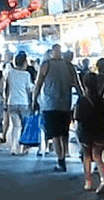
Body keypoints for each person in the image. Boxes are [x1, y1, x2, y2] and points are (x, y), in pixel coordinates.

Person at [32, 43, 78, 172]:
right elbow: (77, 84)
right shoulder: (69, 66)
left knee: (56, 135)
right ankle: (63, 157)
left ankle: (61, 161)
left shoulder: (46, 65)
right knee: (63, 133)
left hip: (50, 105)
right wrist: (82, 98)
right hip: (65, 105)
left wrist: (34, 100)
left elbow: (38, 84)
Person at [73, 64, 104, 195]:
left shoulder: (81, 100)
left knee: (87, 156)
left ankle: (88, 182)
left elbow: (76, 117)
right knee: (98, 156)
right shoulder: (101, 100)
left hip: (85, 132)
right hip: (99, 131)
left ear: (85, 84)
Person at [3, 53, 34, 154]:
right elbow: (29, 90)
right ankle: (23, 148)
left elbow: (6, 89)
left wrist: (6, 101)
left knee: (15, 126)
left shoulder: (10, 73)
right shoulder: (26, 75)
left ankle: (13, 148)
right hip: (24, 103)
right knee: (25, 126)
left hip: (11, 102)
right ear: (25, 62)